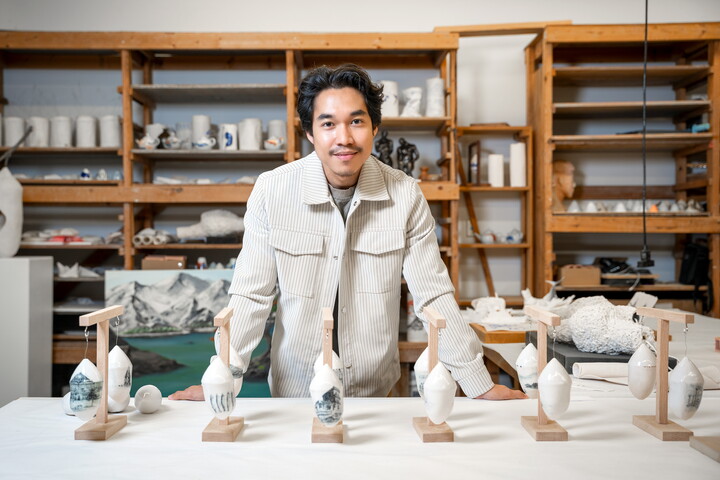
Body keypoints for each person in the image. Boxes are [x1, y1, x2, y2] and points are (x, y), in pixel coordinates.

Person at [170, 64, 525, 401]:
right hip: (296, 388)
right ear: (310, 132)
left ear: (374, 128)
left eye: (356, 121)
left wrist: (479, 385)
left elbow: (432, 296)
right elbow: (251, 296)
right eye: (328, 124)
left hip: (375, 390)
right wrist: (221, 378)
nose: (344, 138)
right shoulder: (272, 191)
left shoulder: (404, 194)